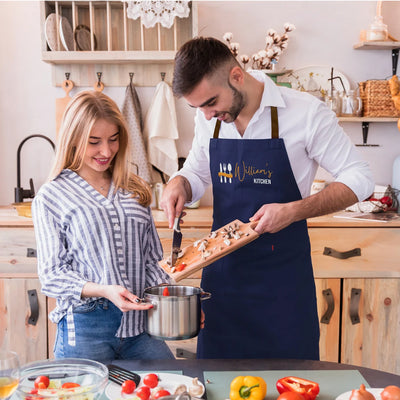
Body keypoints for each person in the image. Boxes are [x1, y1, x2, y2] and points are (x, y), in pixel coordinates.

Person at [160, 37, 374, 360]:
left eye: (211, 103)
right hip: (223, 290)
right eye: (198, 107)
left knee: (292, 388)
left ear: (236, 76)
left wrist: (294, 210)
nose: (205, 115)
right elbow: (197, 173)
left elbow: (361, 178)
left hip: (282, 293)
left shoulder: (305, 114)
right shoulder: (211, 121)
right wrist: (179, 183)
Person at [32, 90, 174, 362]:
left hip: (141, 328)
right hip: (86, 329)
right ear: (73, 140)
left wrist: (176, 304)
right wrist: (104, 289)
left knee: (174, 384)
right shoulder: (52, 196)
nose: (106, 151)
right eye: (94, 142)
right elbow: (52, 275)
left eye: (113, 139)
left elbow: (153, 262)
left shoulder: (135, 190)